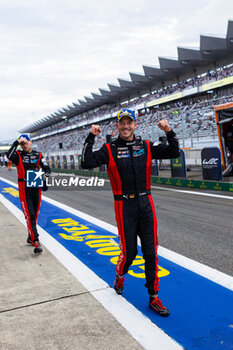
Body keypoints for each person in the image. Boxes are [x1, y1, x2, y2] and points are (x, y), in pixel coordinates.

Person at [81, 109, 180, 317]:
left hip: (146, 203)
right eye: (122, 123)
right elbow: (86, 162)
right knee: (130, 253)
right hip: (123, 205)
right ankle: (120, 274)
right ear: (117, 126)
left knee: (151, 252)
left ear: (135, 125)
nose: (126, 126)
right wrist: (91, 136)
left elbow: (173, 151)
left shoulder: (146, 146)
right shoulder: (109, 149)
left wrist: (169, 131)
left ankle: (154, 297)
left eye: (129, 123)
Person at [7, 134, 51, 253]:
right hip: (24, 189)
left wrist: (46, 175)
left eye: (26, 142)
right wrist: (17, 143)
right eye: (23, 143)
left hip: (36, 188)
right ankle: (36, 241)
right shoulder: (18, 156)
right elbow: (9, 155)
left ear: (31, 142)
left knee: (35, 215)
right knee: (30, 215)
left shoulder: (38, 155)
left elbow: (47, 168)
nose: (25, 145)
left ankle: (30, 238)